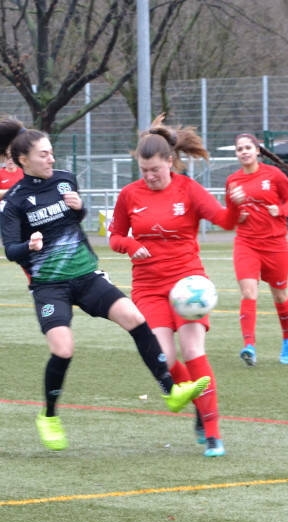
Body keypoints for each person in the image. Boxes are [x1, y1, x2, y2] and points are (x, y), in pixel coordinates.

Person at [0, 117, 210, 451]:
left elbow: (74, 220)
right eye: (43, 154)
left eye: (51, 152)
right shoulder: (13, 201)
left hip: (86, 276)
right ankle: (49, 416)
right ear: (24, 160)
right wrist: (29, 246)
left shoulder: (65, 180)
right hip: (49, 286)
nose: (51, 158)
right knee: (63, 349)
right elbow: (11, 250)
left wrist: (80, 208)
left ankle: (170, 391)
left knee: (135, 318)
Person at [108, 114, 240, 457]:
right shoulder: (129, 195)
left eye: (155, 169)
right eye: (143, 170)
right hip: (148, 286)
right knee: (163, 359)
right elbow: (115, 236)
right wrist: (130, 245)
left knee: (193, 351)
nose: (149, 176)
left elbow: (225, 220)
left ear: (170, 161)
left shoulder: (188, 189)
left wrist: (235, 201)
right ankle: (199, 403)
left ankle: (213, 433)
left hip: (187, 282)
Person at [224, 133, 288, 367]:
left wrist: (281, 210)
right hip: (246, 243)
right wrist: (238, 214)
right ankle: (249, 346)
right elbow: (230, 217)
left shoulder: (273, 175)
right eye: (240, 149)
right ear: (236, 154)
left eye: (248, 147)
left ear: (257, 151)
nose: (244, 152)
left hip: (275, 245)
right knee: (249, 292)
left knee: (280, 296)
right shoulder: (232, 181)